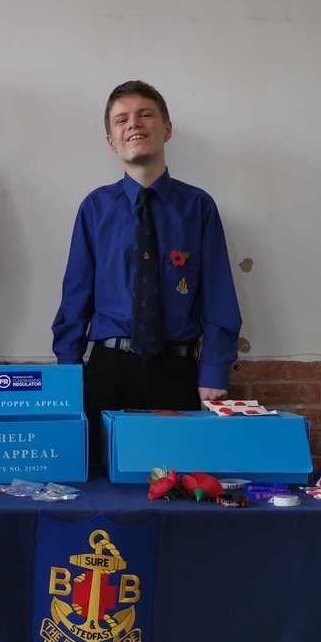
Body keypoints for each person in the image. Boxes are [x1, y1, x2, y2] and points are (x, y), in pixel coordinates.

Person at [52, 80, 242, 462]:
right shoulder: (95, 208)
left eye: (145, 114)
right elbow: (76, 296)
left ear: (166, 128)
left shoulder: (198, 207)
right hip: (107, 371)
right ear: (111, 140)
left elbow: (218, 294)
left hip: (176, 370)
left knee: (177, 478)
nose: (133, 124)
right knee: (102, 478)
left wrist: (215, 369)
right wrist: (68, 372)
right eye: (121, 120)